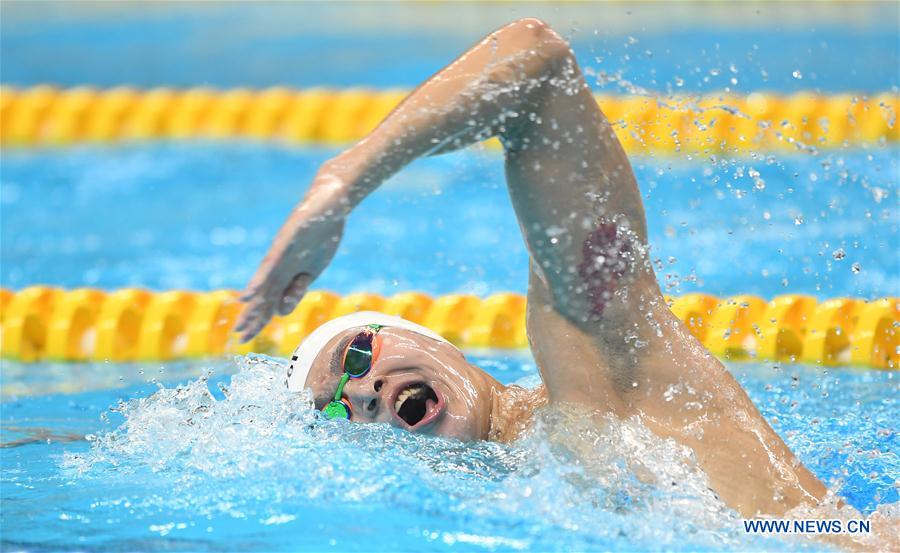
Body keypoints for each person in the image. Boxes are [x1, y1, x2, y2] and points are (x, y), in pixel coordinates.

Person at [234, 18, 827, 518]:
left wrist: (342, 184)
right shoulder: (514, 499)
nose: (362, 392)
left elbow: (537, 68)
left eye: (356, 356)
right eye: (336, 409)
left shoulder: (607, 377)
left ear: (428, 339)